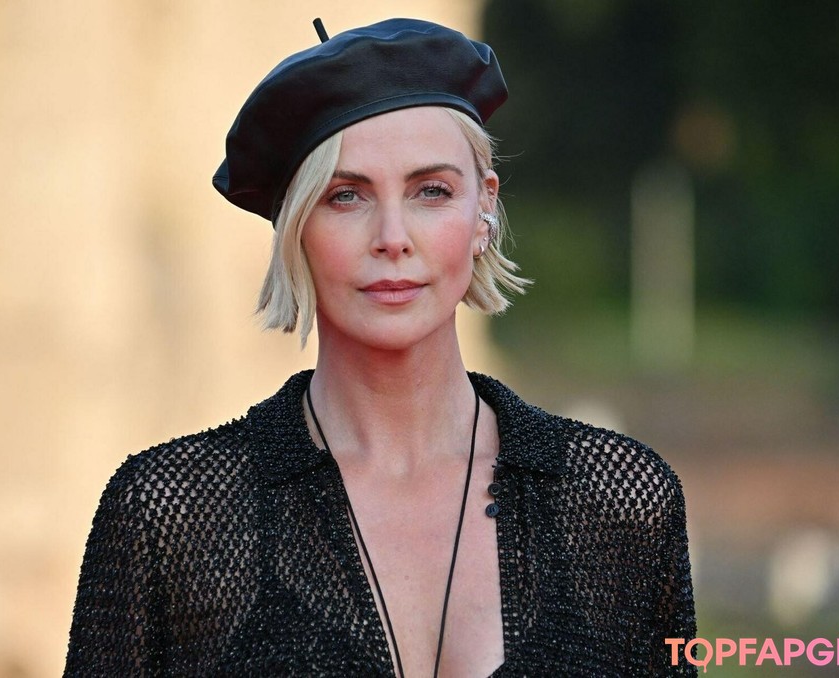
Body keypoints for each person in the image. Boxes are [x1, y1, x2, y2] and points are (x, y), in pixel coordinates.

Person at [64, 17, 697, 677]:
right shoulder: (171, 516)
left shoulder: (618, 500)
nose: (392, 237)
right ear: (295, 226)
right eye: (346, 196)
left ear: (483, 211)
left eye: (431, 191)